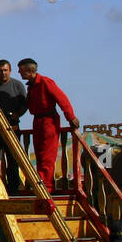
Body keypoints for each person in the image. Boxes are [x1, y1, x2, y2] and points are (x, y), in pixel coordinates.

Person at [16, 58, 78, 192]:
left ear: (30, 71)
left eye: (21, 70)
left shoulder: (45, 82)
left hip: (49, 121)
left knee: (47, 155)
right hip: (37, 121)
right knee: (39, 154)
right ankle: (42, 185)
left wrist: (71, 117)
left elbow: (62, 99)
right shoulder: (31, 86)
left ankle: (46, 188)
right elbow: (28, 105)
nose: (19, 73)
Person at [0, 59, 27, 192]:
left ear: (10, 71)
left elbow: (25, 104)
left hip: (12, 128)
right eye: (0, 70)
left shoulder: (18, 85)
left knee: (13, 160)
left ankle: (13, 189)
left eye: (5, 70)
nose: (3, 73)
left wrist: (17, 115)